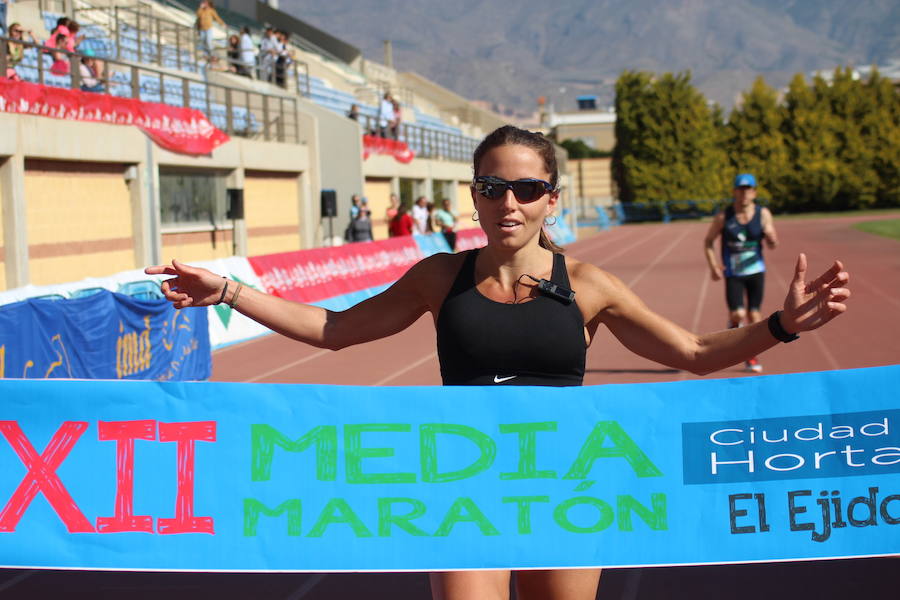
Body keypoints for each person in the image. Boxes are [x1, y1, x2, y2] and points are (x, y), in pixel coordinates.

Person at [146, 125, 850, 600]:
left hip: (569, 485)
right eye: (492, 187)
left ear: (552, 198)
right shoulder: (437, 276)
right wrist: (229, 291)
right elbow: (334, 330)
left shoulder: (590, 286)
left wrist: (782, 326)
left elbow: (694, 353)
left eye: (526, 189)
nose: (508, 202)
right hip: (465, 486)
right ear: (475, 194)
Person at [704, 173, 779, 373]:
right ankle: (734, 322)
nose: (744, 194)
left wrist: (772, 240)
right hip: (734, 273)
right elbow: (708, 241)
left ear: (754, 192)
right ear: (734, 192)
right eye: (740, 190)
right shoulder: (723, 217)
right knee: (737, 313)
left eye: (748, 189)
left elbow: (773, 243)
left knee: (755, 317)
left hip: (756, 271)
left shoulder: (763, 214)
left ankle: (751, 356)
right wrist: (713, 266)